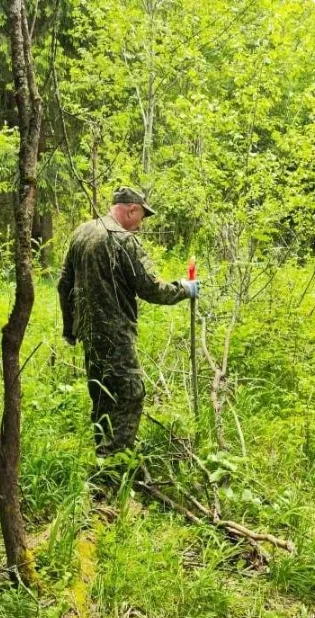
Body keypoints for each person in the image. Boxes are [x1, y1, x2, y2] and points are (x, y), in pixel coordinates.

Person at [58, 186, 199, 456]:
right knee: (131, 394)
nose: (141, 225)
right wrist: (184, 288)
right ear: (131, 209)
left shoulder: (82, 232)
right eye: (141, 217)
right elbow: (151, 288)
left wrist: (70, 327)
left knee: (101, 397)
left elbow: (63, 284)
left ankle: (102, 453)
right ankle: (115, 463)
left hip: (90, 335)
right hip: (116, 336)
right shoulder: (121, 239)